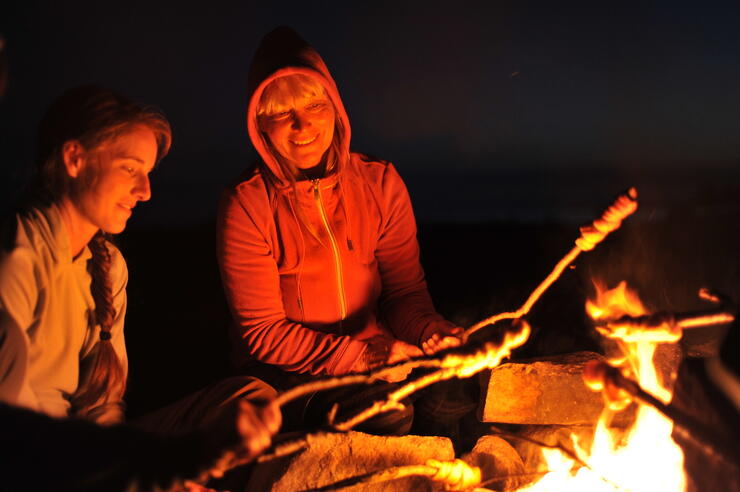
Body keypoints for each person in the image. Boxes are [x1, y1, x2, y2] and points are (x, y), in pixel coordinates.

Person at [0, 85, 280, 486]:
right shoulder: (17, 252)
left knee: (247, 398)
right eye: (131, 169)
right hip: (39, 460)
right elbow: (15, 435)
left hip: (95, 449)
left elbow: (104, 405)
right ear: (74, 159)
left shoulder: (108, 265)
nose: (145, 191)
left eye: (148, 174)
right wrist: (153, 470)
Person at [217, 27, 467, 434]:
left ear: (334, 106)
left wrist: (430, 330)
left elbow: (404, 294)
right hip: (285, 374)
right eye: (282, 113)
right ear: (260, 124)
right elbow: (262, 334)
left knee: (458, 398)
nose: (302, 125)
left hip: (378, 357)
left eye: (314, 104)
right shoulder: (248, 202)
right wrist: (365, 357)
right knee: (387, 415)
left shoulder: (380, 183)